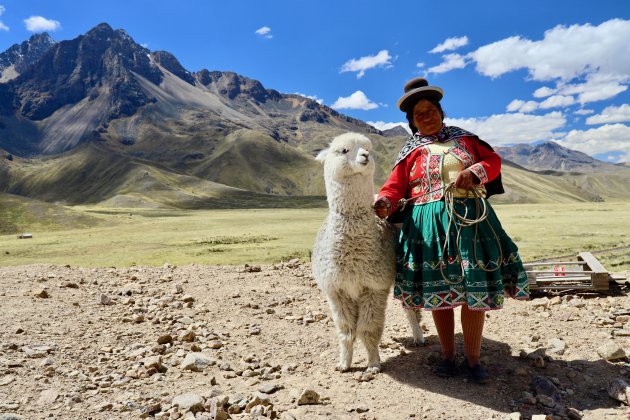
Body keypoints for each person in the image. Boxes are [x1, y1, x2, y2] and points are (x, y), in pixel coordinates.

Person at [374, 78, 529, 384]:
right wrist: (384, 203)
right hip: (428, 227)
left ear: (441, 112)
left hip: (472, 222)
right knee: (439, 293)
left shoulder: (466, 139)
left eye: (430, 109)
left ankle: (473, 360)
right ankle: (447, 357)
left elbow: (493, 160)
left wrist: (474, 172)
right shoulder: (410, 152)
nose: (426, 116)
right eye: (419, 114)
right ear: (412, 122)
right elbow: (393, 189)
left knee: (474, 290)